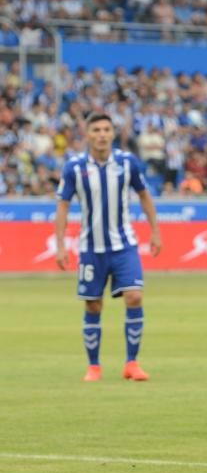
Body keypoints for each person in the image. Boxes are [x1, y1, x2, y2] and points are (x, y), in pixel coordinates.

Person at [54, 113, 162, 381]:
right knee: (93, 305)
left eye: (106, 129)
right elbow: (63, 206)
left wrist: (155, 231)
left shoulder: (127, 163)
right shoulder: (74, 167)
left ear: (113, 133)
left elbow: (144, 195)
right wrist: (60, 246)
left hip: (124, 244)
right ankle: (94, 366)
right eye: (96, 130)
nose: (102, 134)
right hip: (91, 247)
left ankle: (132, 363)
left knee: (135, 296)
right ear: (87, 134)